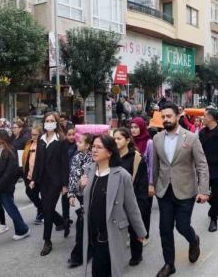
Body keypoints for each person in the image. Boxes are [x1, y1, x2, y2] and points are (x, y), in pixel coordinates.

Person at [152, 103, 210, 277]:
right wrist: (152, 185)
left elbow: (201, 165)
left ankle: (194, 240)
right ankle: (169, 264)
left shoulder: (191, 138)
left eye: (169, 116)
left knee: (182, 226)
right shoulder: (157, 138)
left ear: (178, 116)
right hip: (164, 191)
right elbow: (155, 165)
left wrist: (204, 190)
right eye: (163, 117)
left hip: (185, 190)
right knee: (165, 228)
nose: (166, 119)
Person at [81, 135, 147, 277]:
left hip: (111, 231)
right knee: (97, 268)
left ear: (109, 152)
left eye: (99, 147)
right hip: (91, 230)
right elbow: (87, 198)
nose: (94, 150)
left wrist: (140, 231)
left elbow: (132, 206)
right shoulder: (90, 170)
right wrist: (82, 186)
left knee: (102, 268)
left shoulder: (122, 175)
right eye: (93, 147)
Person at [31, 112, 70, 256]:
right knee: (46, 207)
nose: (49, 122)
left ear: (56, 123)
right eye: (47, 120)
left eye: (52, 120)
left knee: (47, 209)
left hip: (55, 181)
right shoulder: (40, 139)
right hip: (43, 180)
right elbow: (38, 161)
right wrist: (34, 179)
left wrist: (65, 184)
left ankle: (47, 241)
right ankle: (62, 222)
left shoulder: (61, 140)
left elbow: (65, 164)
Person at [114, 127, 149, 267]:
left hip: (132, 199)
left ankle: (137, 254)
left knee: (134, 230)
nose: (115, 141)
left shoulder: (136, 158)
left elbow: (142, 184)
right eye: (114, 139)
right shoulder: (111, 157)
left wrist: (140, 205)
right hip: (115, 199)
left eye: (119, 138)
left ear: (127, 140)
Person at [66, 133, 94, 268]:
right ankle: (81, 253)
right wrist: (71, 194)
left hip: (93, 196)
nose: (77, 144)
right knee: (83, 224)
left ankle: (79, 254)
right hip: (80, 195)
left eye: (81, 142)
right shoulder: (76, 157)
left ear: (88, 145)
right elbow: (72, 176)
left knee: (83, 225)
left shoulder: (95, 158)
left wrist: (87, 182)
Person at [130, 117, 153, 244]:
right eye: (132, 127)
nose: (133, 130)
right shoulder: (129, 142)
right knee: (131, 209)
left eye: (136, 127)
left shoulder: (149, 143)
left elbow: (152, 165)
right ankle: (133, 234)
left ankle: (144, 235)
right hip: (131, 182)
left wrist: (151, 184)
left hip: (145, 183)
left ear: (142, 127)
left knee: (144, 210)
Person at [22, 125, 44, 225]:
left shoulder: (43, 145)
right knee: (29, 192)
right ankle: (41, 209)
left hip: (40, 175)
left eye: (36, 135)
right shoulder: (29, 143)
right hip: (29, 174)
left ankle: (41, 212)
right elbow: (26, 159)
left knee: (41, 195)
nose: (33, 136)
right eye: (32, 134)